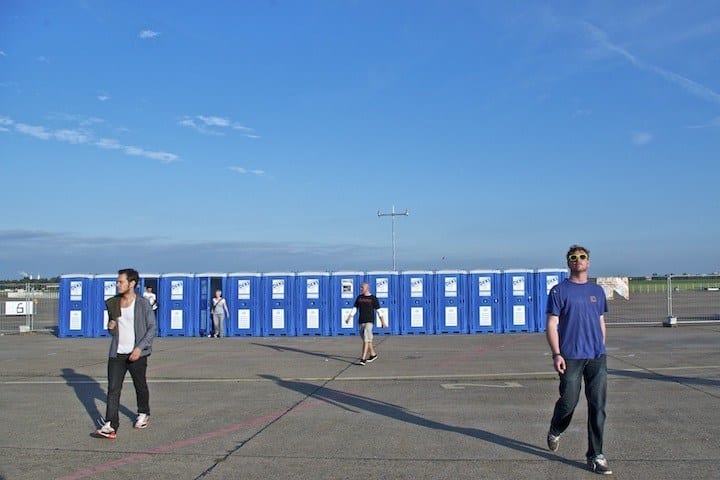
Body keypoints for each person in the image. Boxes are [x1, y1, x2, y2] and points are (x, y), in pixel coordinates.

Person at [545, 245, 612, 475]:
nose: (578, 260)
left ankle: (596, 455)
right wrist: (556, 353)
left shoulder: (597, 291)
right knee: (569, 402)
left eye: (582, 257)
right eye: (573, 258)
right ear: (568, 263)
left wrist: (601, 347)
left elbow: (600, 320)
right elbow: (552, 324)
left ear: (588, 262)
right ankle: (556, 428)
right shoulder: (559, 291)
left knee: (598, 406)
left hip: (596, 356)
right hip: (570, 356)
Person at [95, 268, 156, 439]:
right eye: (117, 281)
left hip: (137, 353)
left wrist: (139, 348)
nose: (117, 284)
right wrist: (111, 328)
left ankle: (143, 413)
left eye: (120, 282)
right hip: (117, 354)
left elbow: (152, 328)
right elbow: (113, 329)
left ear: (132, 284)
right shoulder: (113, 303)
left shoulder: (143, 304)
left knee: (140, 385)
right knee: (113, 389)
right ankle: (110, 425)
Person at [345, 282, 387, 365]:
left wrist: (383, 322)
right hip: (361, 321)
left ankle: (363, 359)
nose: (361, 289)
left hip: (369, 321)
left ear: (367, 288)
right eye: (361, 287)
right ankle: (373, 354)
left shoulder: (373, 298)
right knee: (366, 340)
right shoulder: (359, 298)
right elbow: (355, 308)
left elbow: (379, 311)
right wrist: (349, 318)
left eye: (362, 287)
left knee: (366, 339)